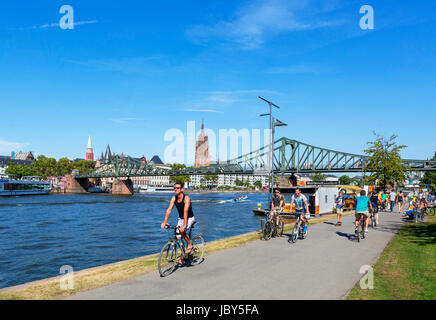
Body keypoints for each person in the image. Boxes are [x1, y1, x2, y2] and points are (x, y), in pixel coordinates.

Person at [161, 182, 195, 260]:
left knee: (182, 231)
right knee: (177, 235)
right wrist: (165, 221)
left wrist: (184, 225)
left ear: (181, 189)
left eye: (177, 188)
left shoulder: (186, 198)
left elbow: (185, 211)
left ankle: (189, 244)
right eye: (174, 188)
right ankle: (183, 254)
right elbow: (169, 209)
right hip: (181, 218)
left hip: (189, 218)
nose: (175, 189)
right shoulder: (174, 198)